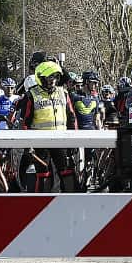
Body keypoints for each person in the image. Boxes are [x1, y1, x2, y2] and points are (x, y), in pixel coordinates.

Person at [18, 61, 79, 192]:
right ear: (41, 77)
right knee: (43, 173)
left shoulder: (63, 93)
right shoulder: (31, 95)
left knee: (67, 171)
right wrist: (28, 146)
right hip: (41, 142)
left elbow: (71, 117)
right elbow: (25, 124)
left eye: (56, 77)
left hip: (61, 139)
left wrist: (74, 139)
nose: (53, 80)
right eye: (50, 77)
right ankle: (40, 205)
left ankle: (73, 204)